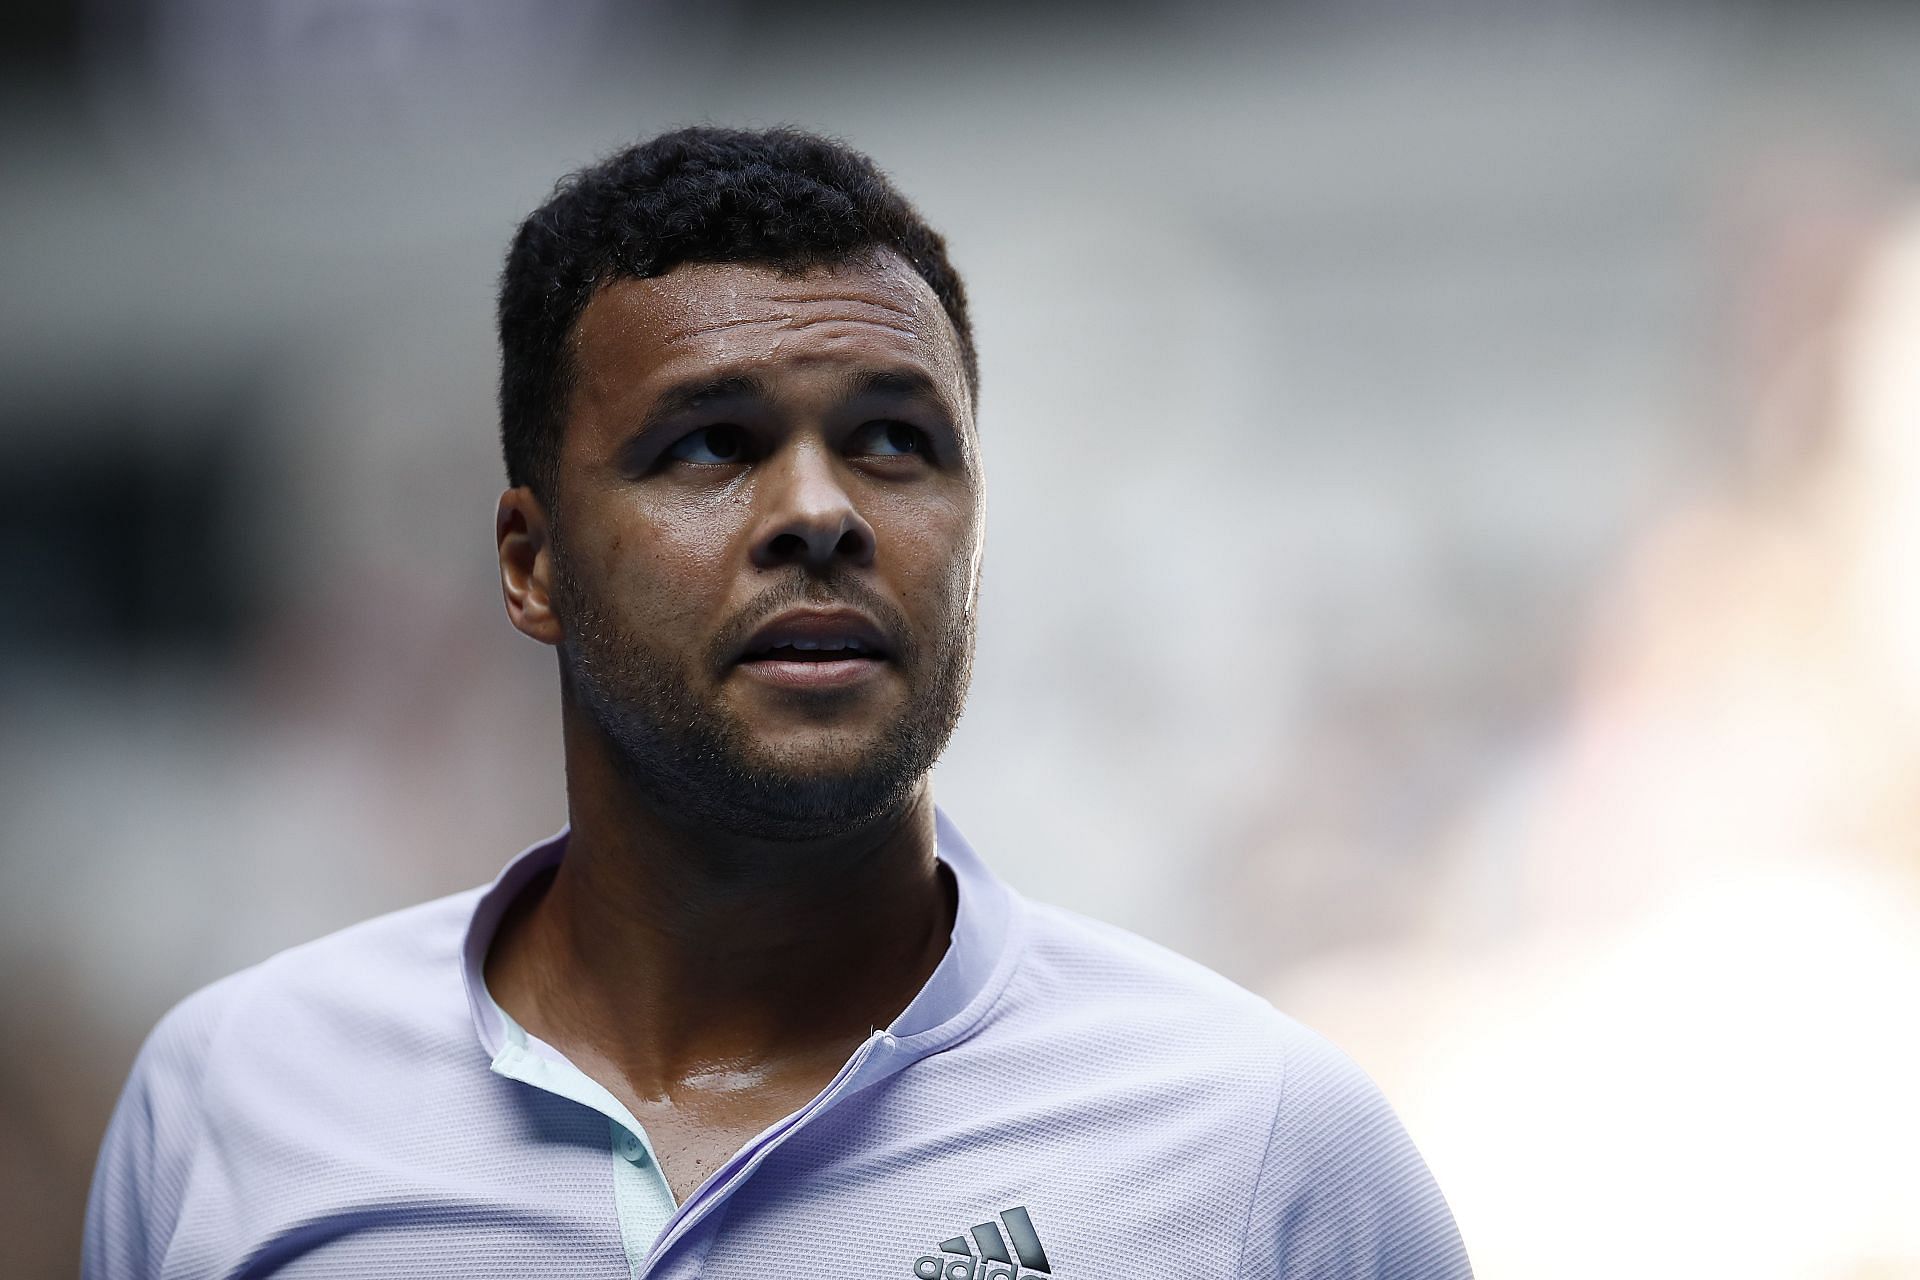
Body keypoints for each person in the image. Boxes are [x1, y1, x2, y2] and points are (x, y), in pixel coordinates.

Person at [82, 126, 1471, 1279]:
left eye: (892, 440)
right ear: (531, 561)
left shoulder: (1259, 1147)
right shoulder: (233, 1106)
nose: (819, 512)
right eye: (710, 445)